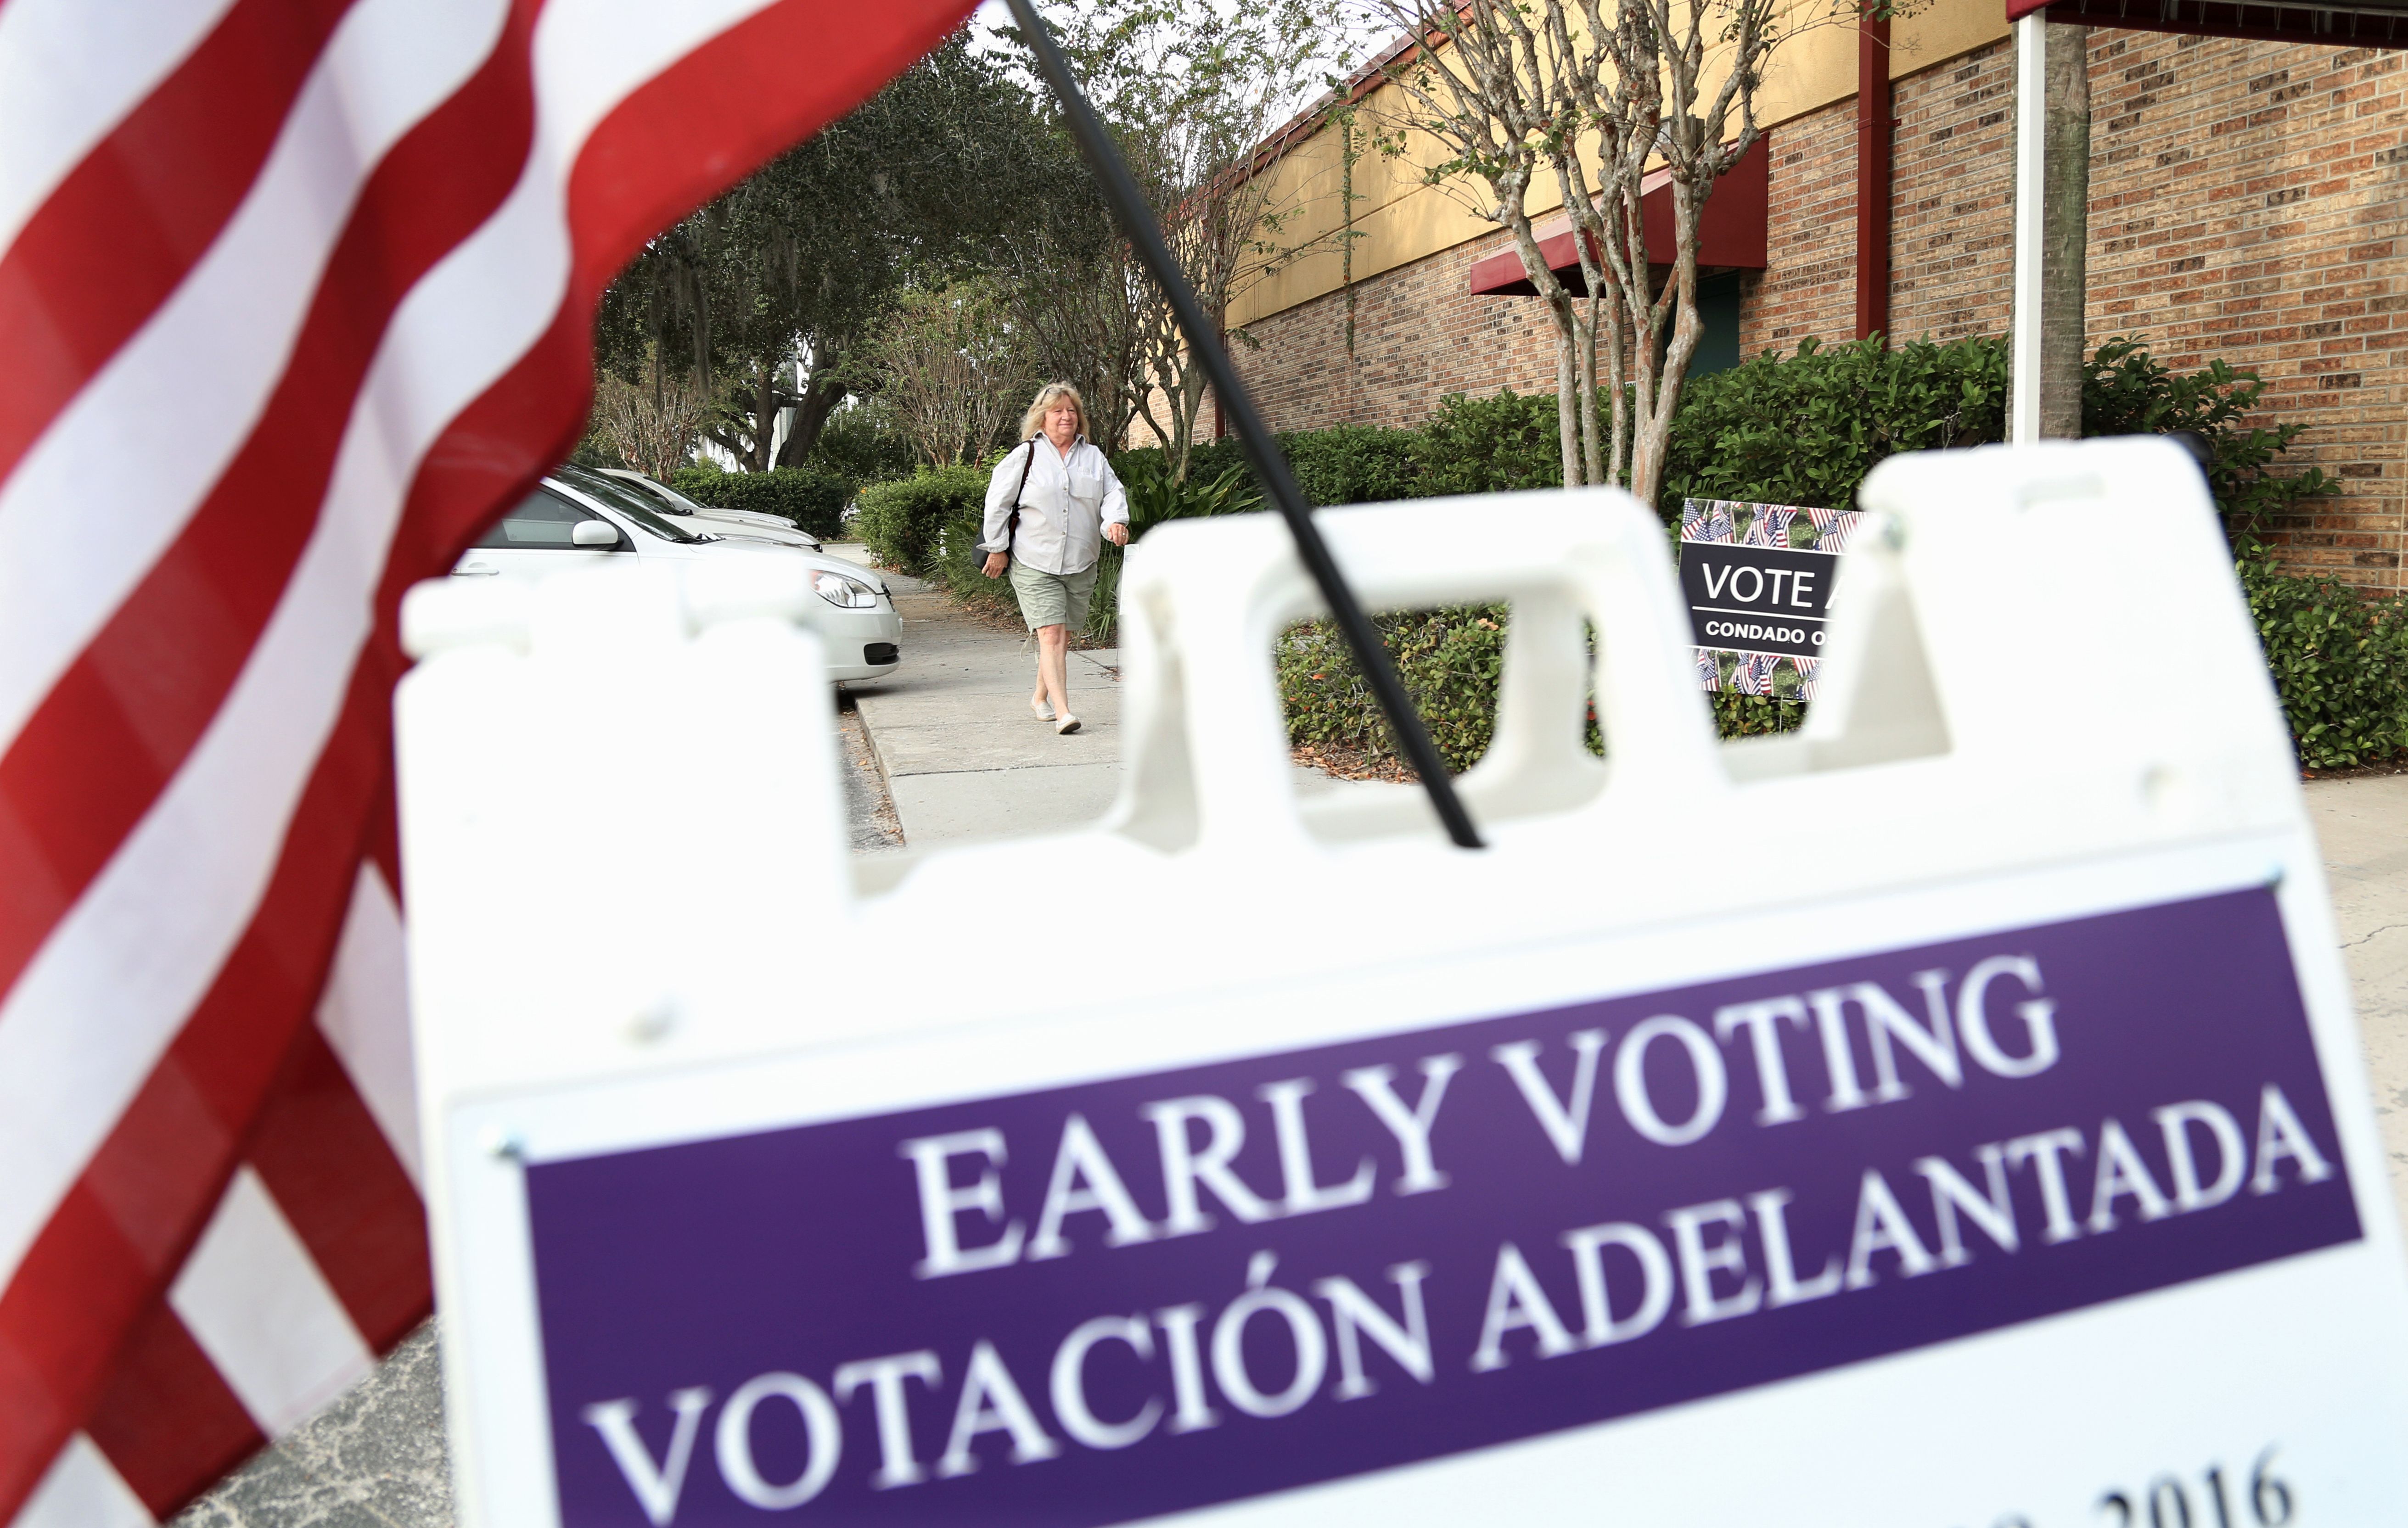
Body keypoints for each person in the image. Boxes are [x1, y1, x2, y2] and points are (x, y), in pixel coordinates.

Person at [982, 382, 1128, 735]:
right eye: (1057, 411)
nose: (1066, 416)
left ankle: (1038, 698)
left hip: (1081, 559)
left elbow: (1112, 493)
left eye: (1071, 410)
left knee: (1060, 637)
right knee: (1051, 635)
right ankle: (1064, 712)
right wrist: (997, 547)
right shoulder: (1026, 455)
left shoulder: (1093, 457)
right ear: (1042, 418)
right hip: (1034, 560)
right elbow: (998, 502)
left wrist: (1116, 521)